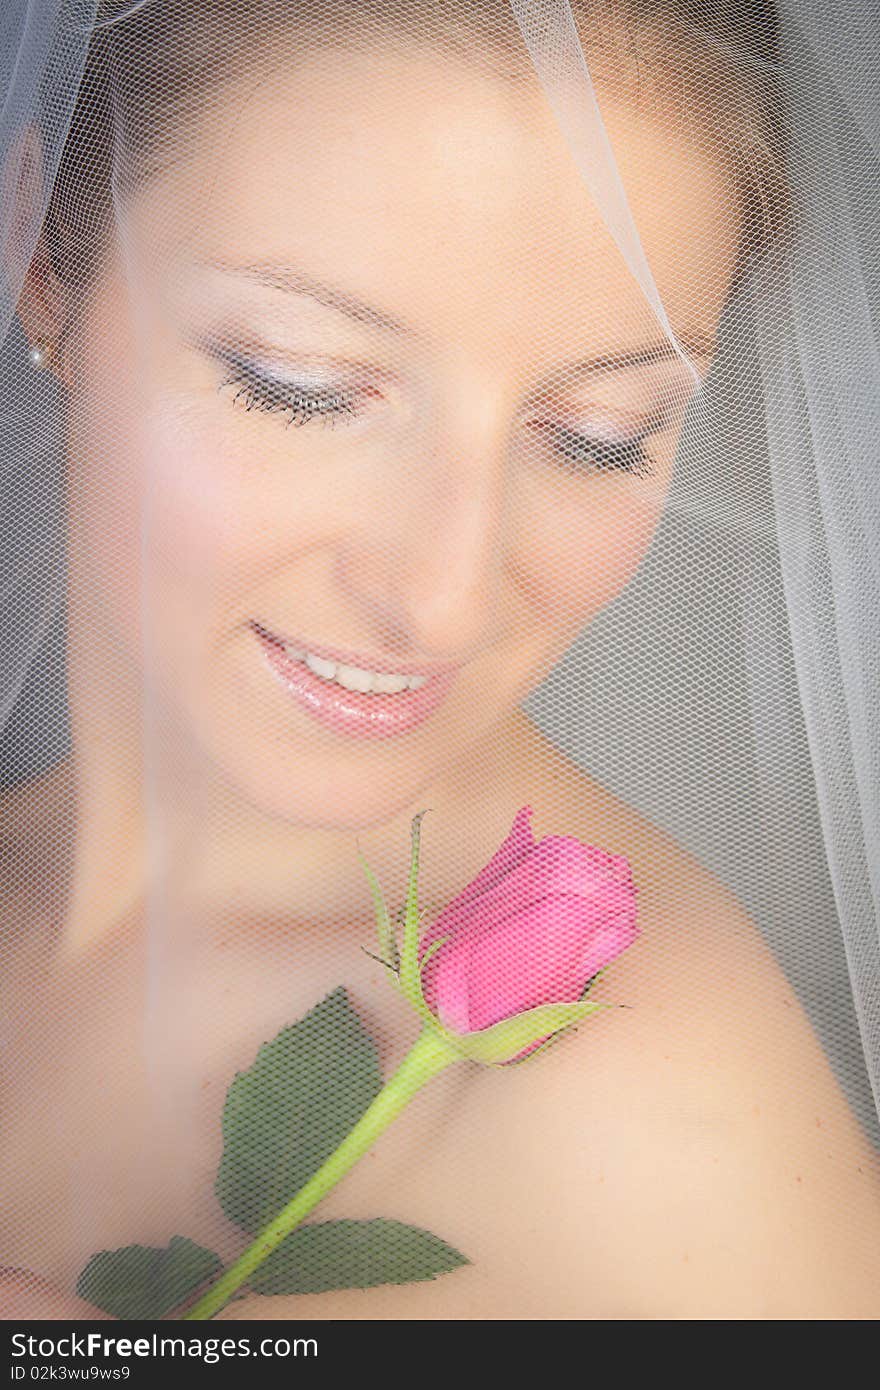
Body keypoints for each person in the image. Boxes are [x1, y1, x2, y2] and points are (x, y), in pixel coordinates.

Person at [1, 0, 879, 1319]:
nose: (448, 598)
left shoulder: (665, 1128)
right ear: (42, 262)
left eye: (599, 435)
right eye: (298, 383)